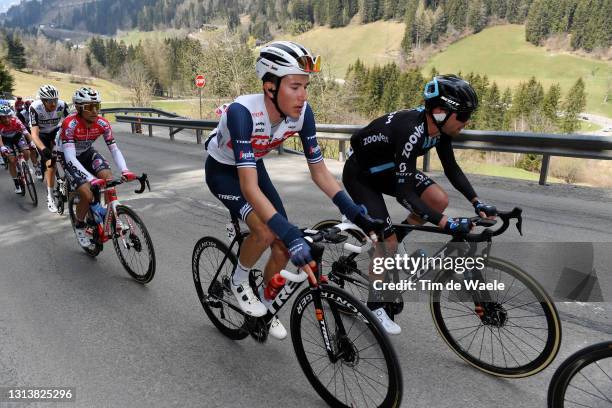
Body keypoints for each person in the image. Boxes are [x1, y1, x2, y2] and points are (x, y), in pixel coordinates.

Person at [204, 41, 380, 340]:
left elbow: (320, 171)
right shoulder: (242, 113)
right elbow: (248, 187)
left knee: (285, 245)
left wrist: (352, 211)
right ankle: (239, 279)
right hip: (224, 172)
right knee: (266, 231)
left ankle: (265, 304)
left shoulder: (302, 114)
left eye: (306, 86)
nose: (303, 96)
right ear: (270, 87)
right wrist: (285, 230)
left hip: (252, 165)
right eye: (295, 86)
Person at [342, 74, 498, 334]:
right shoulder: (411, 132)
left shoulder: (440, 129)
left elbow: (452, 168)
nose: (466, 122)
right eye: (462, 116)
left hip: (390, 169)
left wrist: (476, 201)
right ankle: (375, 305)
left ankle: (398, 236)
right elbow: (406, 194)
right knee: (386, 243)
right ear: (439, 112)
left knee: (439, 199)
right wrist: (445, 222)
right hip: (362, 176)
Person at [58, 87, 136, 249]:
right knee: (86, 194)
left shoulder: (102, 123)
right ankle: (79, 226)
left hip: (86, 152)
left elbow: (114, 149)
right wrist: (90, 178)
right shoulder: (70, 124)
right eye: (89, 107)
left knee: (108, 178)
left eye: (97, 106)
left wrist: (125, 170)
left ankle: (111, 215)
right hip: (68, 156)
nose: (94, 111)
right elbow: (71, 157)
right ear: (79, 108)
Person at [30, 85, 70, 212]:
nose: (53, 104)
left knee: (69, 155)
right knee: (51, 164)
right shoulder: (35, 108)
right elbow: (34, 135)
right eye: (49, 101)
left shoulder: (62, 105)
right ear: (42, 101)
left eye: (55, 100)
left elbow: (70, 123)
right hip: (41, 134)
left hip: (55, 130)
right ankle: (50, 197)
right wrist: (43, 149)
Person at [0, 105, 33, 193]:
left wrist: (31, 142)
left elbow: (26, 132)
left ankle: (24, 165)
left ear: (11, 116)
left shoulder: (16, 121)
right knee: (12, 160)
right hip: (6, 140)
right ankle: (16, 183)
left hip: (17, 136)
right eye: (3, 117)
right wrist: (2, 147)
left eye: (8, 117)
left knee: (26, 152)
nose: (6, 119)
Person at [13, 97, 42, 180]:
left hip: (36, 131)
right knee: (32, 150)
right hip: (26, 133)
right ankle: (36, 168)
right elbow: (21, 129)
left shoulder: (39, 111)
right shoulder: (20, 114)